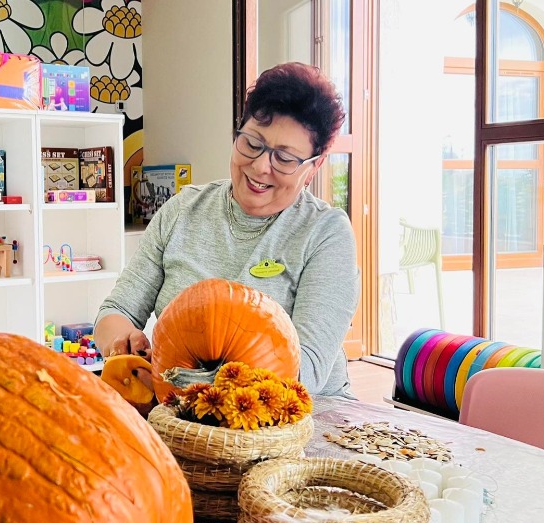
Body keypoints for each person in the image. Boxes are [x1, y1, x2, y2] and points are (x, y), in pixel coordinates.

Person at [95, 62, 360, 398]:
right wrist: (122, 342)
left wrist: (178, 375)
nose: (261, 166)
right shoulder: (181, 210)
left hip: (300, 417)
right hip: (184, 415)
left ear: (313, 167)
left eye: (284, 158)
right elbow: (115, 312)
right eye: (252, 143)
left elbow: (305, 371)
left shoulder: (325, 233)